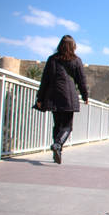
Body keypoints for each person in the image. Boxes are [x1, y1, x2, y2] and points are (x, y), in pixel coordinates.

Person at [36, 35, 88, 164]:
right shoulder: (76, 60)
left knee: (57, 125)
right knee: (67, 127)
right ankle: (58, 145)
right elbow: (81, 81)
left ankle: (57, 150)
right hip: (68, 96)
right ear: (73, 46)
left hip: (53, 96)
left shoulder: (52, 59)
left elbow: (45, 80)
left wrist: (40, 98)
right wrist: (85, 95)